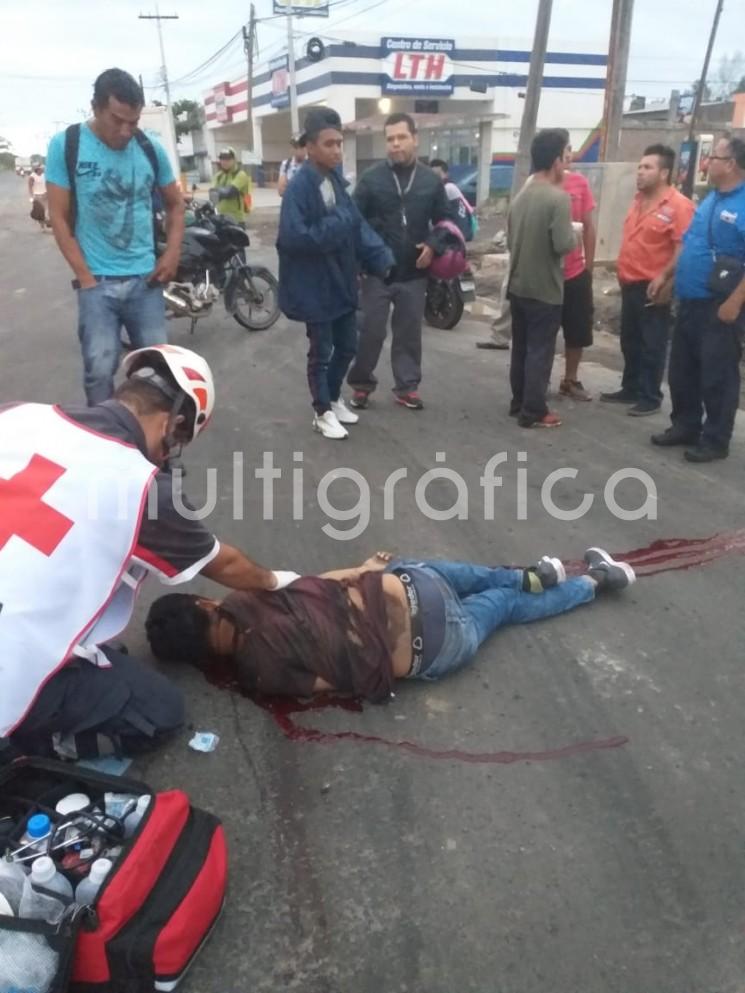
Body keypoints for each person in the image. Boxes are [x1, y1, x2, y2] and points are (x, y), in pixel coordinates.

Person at [0, 345, 299, 763]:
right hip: (9, 674)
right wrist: (278, 580)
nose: (164, 457)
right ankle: (26, 749)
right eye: (173, 445)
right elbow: (224, 563)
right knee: (159, 711)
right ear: (170, 425)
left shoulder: (18, 416)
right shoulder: (140, 486)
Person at [146, 547, 635, 701]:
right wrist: (369, 566)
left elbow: (333, 682)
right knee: (435, 570)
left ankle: (593, 583)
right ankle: (529, 576)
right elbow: (323, 582)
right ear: (205, 605)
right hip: (413, 587)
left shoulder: (261, 677)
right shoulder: (244, 593)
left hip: (434, 646)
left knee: (499, 609)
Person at [46, 69, 184, 407]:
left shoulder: (149, 147)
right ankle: (104, 444)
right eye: (117, 120)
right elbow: (59, 219)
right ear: (95, 108)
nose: (125, 131)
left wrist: (171, 254)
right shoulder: (68, 145)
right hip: (98, 284)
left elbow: (175, 204)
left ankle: (154, 450)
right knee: (99, 369)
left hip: (145, 281)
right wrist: (86, 278)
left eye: (133, 122)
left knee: (157, 372)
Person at [277, 108, 393, 441]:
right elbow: (293, 237)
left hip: (340, 283)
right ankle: (321, 411)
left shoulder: (335, 182)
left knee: (347, 346)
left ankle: (332, 398)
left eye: (339, 143)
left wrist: (382, 258)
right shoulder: (300, 188)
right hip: (315, 289)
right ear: (310, 147)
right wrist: (338, 223)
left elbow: (357, 225)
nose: (337, 150)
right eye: (329, 144)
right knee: (322, 351)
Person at [347, 113, 453, 411]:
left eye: (401, 137)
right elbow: (354, 222)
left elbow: (446, 221)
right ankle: (362, 383)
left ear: (415, 139)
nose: (395, 144)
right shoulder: (371, 179)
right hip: (376, 272)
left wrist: (433, 245)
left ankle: (407, 387)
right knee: (370, 331)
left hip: (414, 273)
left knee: (408, 333)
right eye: (390, 139)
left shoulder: (431, 181)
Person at [652, 135, 745, 462]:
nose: (706, 164)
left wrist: (734, 302)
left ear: (731, 164)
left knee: (717, 375)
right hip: (690, 300)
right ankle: (685, 425)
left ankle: (715, 439)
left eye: (714, 158)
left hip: (720, 304)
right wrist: (667, 275)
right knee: (683, 369)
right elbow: (692, 243)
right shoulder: (710, 200)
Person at [601, 145, 694, 416]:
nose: (640, 172)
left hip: (654, 286)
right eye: (640, 167)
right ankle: (630, 387)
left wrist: (667, 280)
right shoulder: (637, 200)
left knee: (652, 343)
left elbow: (682, 247)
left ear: (664, 173)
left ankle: (650, 396)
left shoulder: (679, 206)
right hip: (629, 281)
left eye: (647, 167)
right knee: (630, 339)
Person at [507, 129, 576, 428]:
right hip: (545, 288)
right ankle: (534, 409)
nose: (568, 160)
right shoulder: (558, 199)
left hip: (518, 283)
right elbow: (562, 244)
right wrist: (574, 233)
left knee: (521, 348)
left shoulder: (519, 197)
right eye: (567, 154)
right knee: (540, 351)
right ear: (556, 160)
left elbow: (510, 241)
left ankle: (519, 400)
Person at [557, 137, 597, 402]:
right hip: (546, 274)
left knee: (577, 329)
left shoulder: (579, 184)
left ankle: (570, 379)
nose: (568, 154)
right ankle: (535, 379)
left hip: (574, 272)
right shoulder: (538, 184)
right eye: (564, 150)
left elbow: (589, 226)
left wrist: (589, 267)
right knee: (542, 331)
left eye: (570, 149)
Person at [429, 159, 477, 243]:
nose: (435, 177)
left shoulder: (448, 187)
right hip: (464, 232)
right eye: (432, 175)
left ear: (447, 174)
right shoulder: (451, 186)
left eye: (438, 174)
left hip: (458, 234)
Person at [211, 147, 252, 225]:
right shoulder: (218, 176)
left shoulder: (240, 175)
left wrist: (218, 192)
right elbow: (213, 196)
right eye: (222, 159)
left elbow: (230, 192)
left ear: (234, 160)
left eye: (228, 159)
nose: (224, 162)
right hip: (220, 218)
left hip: (236, 220)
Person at [28, 162, 48, 230]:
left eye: (43, 168)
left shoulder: (45, 175)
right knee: (40, 212)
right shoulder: (32, 176)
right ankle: (42, 226)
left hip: (45, 195)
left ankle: (46, 224)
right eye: (41, 168)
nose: (43, 169)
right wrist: (31, 197)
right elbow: (30, 187)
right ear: (37, 169)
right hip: (37, 196)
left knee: (46, 211)